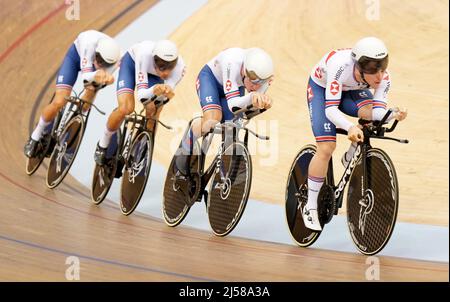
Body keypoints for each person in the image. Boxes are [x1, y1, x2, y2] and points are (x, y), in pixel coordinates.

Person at [304, 37, 408, 231]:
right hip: (321, 88)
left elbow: (377, 114)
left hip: (351, 89)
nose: (379, 76)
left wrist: (393, 114)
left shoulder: (383, 78)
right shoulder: (340, 66)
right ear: (359, 68)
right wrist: (350, 127)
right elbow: (331, 111)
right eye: (372, 69)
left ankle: (351, 155)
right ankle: (310, 205)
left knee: (370, 119)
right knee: (326, 148)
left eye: (382, 67)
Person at [174, 47, 274, 176]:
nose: (255, 87)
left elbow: (246, 113)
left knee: (232, 128)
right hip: (210, 80)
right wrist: (251, 97)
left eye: (259, 85)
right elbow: (233, 105)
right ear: (244, 71)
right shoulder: (232, 62)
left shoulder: (262, 77)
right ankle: (186, 145)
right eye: (253, 82)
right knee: (212, 119)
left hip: (234, 89)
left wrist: (263, 105)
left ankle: (223, 175)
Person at [24, 30, 120, 158]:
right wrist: (98, 74)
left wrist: (106, 79)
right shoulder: (89, 44)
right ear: (96, 52)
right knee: (59, 101)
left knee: (87, 101)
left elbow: (102, 80)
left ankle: (74, 118)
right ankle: (35, 136)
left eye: (104, 63)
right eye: (99, 59)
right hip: (75, 58)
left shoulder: (115, 60)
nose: (100, 64)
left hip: (96, 72)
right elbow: (86, 77)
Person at [94, 39, 186, 165]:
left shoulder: (180, 68)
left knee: (153, 112)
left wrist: (165, 97)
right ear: (154, 60)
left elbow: (163, 99)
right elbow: (142, 95)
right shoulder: (144, 54)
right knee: (126, 108)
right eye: (162, 67)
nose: (166, 72)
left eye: (170, 68)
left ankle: (139, 147)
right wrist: (154, 89)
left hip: (153, 77)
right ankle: (102, 144)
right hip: (131, 65)